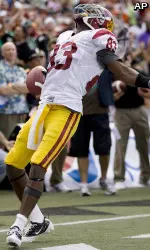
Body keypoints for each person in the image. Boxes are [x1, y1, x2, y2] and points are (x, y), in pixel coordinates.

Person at [5, 4, 150, 247]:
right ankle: (38, 221)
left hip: (67, 108)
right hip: (44, 106)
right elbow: (61, 70)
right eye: (104, 22)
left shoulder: (85, 38)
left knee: (39, 164)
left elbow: (121, 72)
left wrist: (146, 80)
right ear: (94, 20)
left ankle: (19, 224)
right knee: (12, 164)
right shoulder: (70, 37)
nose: (107, 27)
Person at [0, 42, 29, 138]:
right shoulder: (0, 68)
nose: (11, 52)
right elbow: (3, 90)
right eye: (8, 50)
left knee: (20, 143)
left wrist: (12, 85)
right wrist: (21, 87)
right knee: (6, 143)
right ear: (3, 53)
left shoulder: (20, 70)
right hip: (6, 112)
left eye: (13, 49)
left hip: (22, 111)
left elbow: (28, 88)